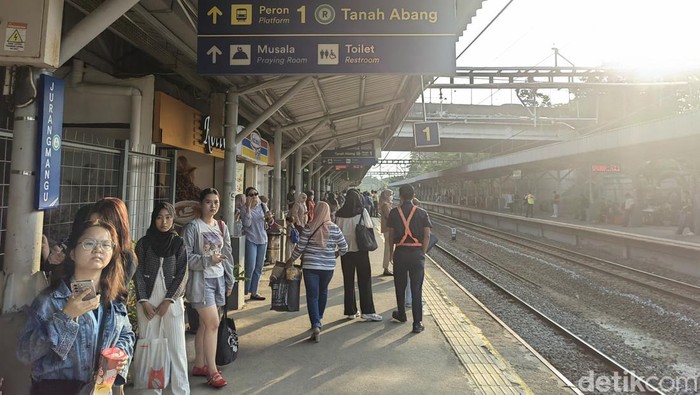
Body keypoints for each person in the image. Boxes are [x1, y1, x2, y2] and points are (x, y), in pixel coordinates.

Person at [17, 220, 135, 394]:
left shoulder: (113, 300)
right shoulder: (51, 300)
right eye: (89, 243)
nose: (98, 249)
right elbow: (25, 353)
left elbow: (126, 334)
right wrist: (65, 317)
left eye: (105, 244)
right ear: (72, 253)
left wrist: (119, 353)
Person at [134, 202, 190, 394]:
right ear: (153, 219)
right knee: (150, 347)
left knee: (177, 349)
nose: (164, 222)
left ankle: (181, 391)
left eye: (168, 217)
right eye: (159, 217)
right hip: (147, 303)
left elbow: (183, 273)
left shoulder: (178, 243)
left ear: (173, 219)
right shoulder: (144, 243)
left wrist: (169, 300)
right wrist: (143, 300)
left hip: (171, 302)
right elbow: (138, 273)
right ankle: (151, 391)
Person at [183, 188, 234, 388]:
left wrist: (229, 280)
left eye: (216, 202)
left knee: (206, 325)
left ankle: (199, 364)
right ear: (200, 204)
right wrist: (208, 260)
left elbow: (227, 254)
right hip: (201, 281)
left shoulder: (221, 226)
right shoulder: (193, 228)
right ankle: (212, 372)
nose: (212, 206)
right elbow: (185, 257)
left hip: (218, 279)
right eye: (208, 202)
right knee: (212, 324)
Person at [286, 202, 348, 342]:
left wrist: (291, 259)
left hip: (310, 266)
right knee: (323, 291)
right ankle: (319, 319)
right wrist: (336, 254)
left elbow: (300, 247)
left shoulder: (309, 227)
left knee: (312, 295)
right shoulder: (334, 228)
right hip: (328, 268)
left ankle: (315, 324)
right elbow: (344, 247)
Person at [387, 184, 433, 334]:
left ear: (400, 196)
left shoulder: (394, 213)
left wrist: (390, 254)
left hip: (400, 252)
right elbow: (427, 235)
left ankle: (401, 314)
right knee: (416, 288)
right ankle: (417, 323)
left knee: (400, 286)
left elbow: (391, 236)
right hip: (416, 253)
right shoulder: (422, 213)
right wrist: (422, 252)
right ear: (414, 196)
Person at [334, 189, 383, 322]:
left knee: (348, 281)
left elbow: (337, 232)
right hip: (361, 250)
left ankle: (350, 311)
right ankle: (367, 311)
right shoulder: (362, 211)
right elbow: (369, 226)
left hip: (345, 251)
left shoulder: (339, 213)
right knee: (364, 280)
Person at [89, 197, 138, 287]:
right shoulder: (84, 244)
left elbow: (115, 296)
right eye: (91, 223)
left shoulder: (126, 258)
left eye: (102, 225)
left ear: (117, 225)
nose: (95, 229)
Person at [240, 186, 273, 300]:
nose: (254, 196)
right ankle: (244, 291)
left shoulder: (263, 206)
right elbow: (247, 224)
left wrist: (269, 218)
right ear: (247, 197)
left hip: (263, 239)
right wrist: (248, 207)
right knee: (250, 267)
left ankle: (254, 291)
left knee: (259, 267)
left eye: (256, 194)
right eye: (251, 194)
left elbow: (271, 222)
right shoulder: (244, 209)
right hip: (251, 239)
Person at [378, 189, 394, 276]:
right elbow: (390, 217)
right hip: (388, 229)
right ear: (387, 195)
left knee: (388, 248)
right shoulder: (385, 205)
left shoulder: (385, 204)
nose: (392, 196)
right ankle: (386, 268)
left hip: (386, 228)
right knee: (388, 249)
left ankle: (387, 267)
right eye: (391, 194)